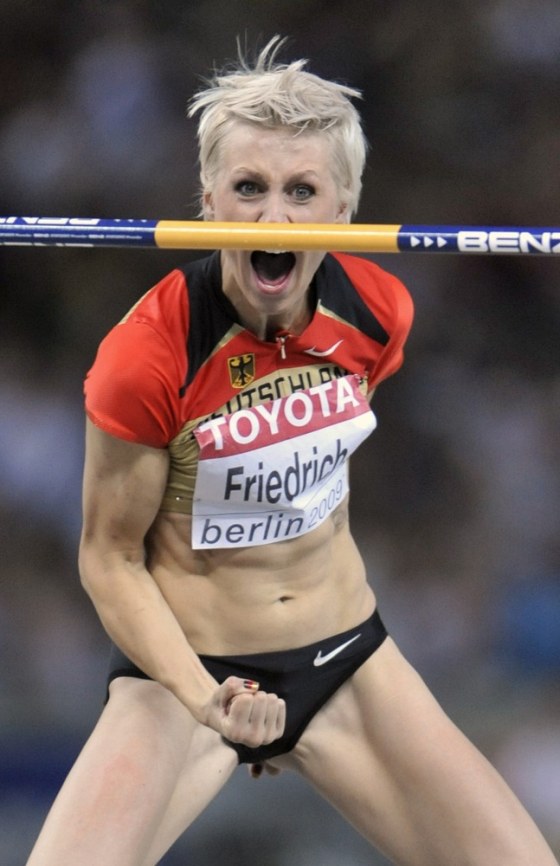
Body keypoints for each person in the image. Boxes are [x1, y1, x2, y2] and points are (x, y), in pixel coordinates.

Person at [27, 37, 558, 866]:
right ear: (207, 202)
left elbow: (315, 471)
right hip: (188, 676)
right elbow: (109, 560)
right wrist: (210, 702)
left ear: (344, 211)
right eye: (249, 189)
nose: (274, 218)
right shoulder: (147, 354)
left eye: (301, 191)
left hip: (345, 659)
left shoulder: (379, 311)